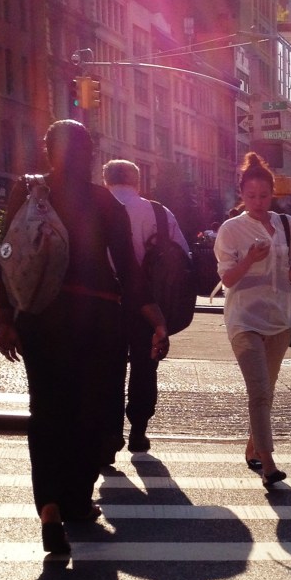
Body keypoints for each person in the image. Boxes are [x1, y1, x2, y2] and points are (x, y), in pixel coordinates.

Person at [0, 120, 168, 558]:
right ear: (90, 155)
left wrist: (7, 320)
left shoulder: (29, 192)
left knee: (46, 411)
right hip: (96, 318)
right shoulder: (104, 201)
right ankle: (75, 498)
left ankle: (50, 506)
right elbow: (129, 270)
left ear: (48, 152)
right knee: (93, 411)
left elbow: (7, 257)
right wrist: (155, 318)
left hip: (42, 317)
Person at [213, 152, 291, 488]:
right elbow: (228, 279)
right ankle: (268, 463)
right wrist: (250, 257)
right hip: (243, 318)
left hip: (280, 318)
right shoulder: (231, 229)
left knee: (267, 390)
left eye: (263, 196)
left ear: (273, 193)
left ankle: (253, 446)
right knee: (259, 390)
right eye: (250, 196)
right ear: (242, 195)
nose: (257, 202)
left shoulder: (286, 224)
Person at [102, 159, 190, 453]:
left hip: (106, 302)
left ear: (106, 180)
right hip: (149, 305)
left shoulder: (95, 207)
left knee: (108, 369)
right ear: (138, 182)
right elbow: (183, 257)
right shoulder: (159, 213)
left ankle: (109, 435)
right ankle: (138, 430)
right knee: (145, 366)